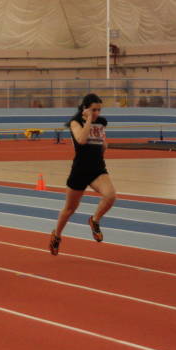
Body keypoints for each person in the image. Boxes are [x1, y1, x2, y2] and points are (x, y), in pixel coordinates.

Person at [48, 93, 116, 255]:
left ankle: (94, 220)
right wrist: (89, 120)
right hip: (80, 170)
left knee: (110, 196)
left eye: (99, 110)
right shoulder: (76, 122)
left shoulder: (101, 122)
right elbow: (82, 140)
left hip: (97, 169)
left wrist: (103, 143)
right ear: (85, 108)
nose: (97, 113)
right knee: (70, 209)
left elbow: (103, 144)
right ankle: (57, 235)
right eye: (94, 110)